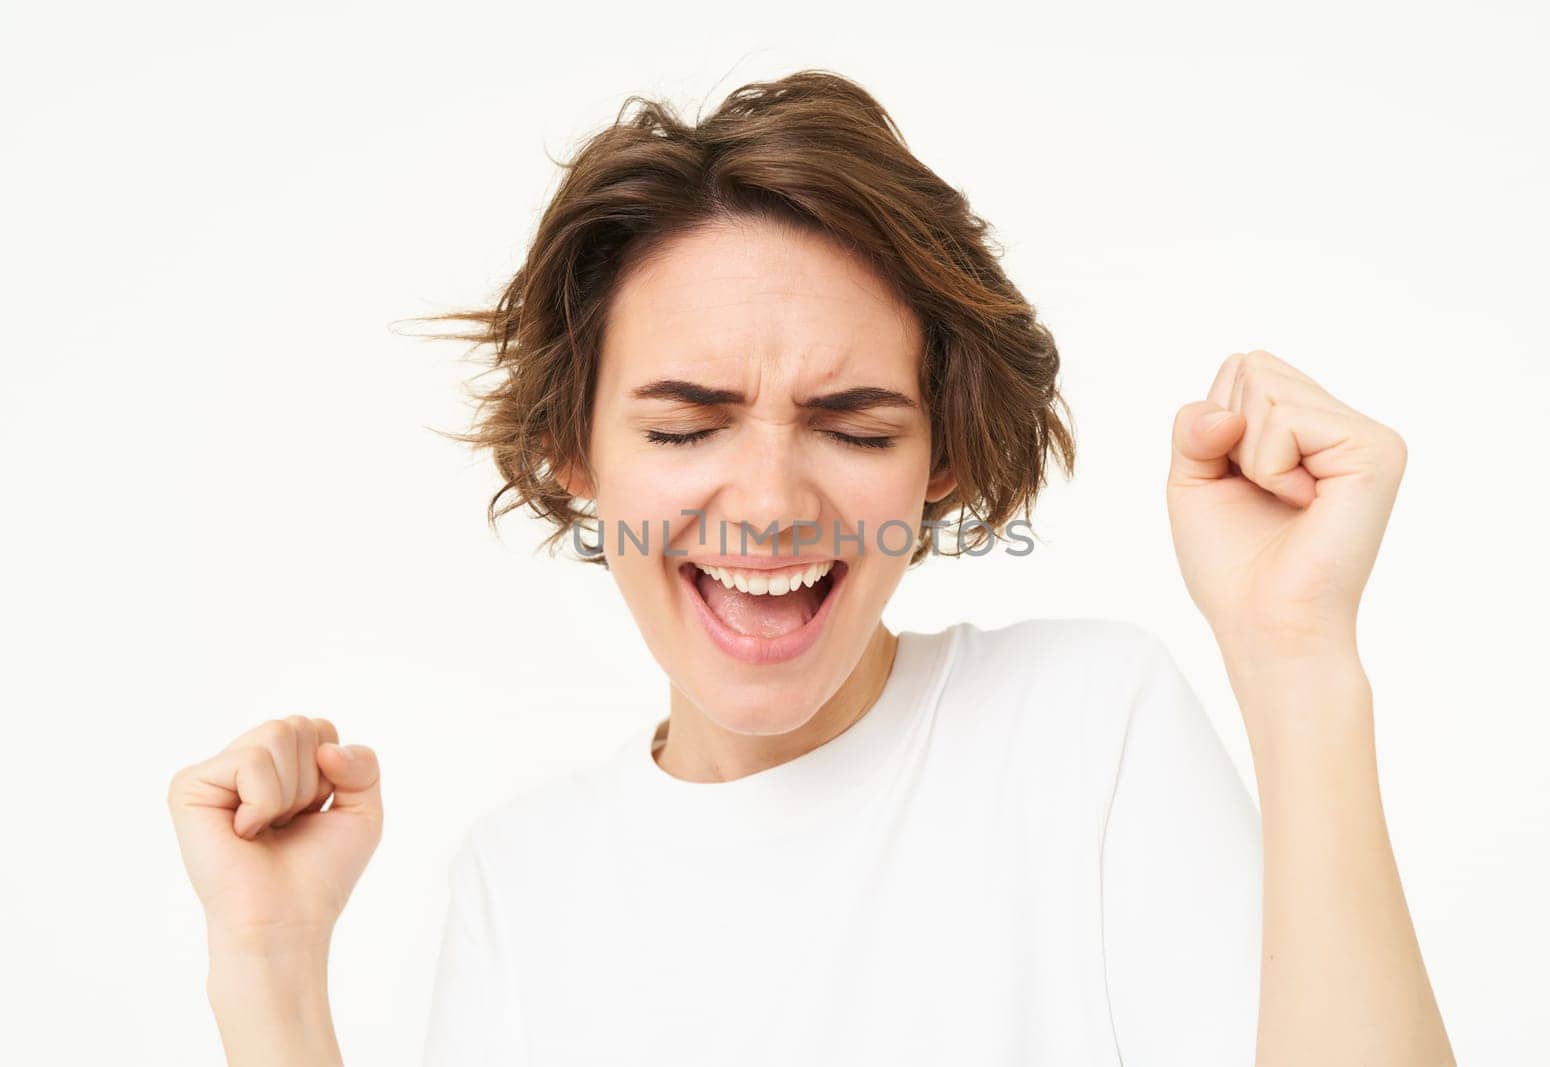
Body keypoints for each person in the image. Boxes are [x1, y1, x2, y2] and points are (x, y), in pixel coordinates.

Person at [167, 69, 1455, 1065]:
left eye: (856, 428)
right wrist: (271, 974)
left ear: (942, 458)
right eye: (683, 428)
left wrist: (1296, 660)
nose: (773, 506)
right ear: (574, 451)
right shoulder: (522, 874)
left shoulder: (1086, 728)